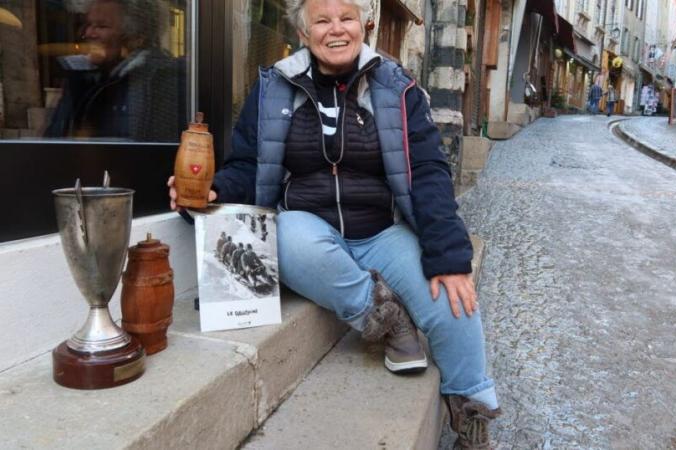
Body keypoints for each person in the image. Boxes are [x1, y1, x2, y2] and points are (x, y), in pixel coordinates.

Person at [168, 0, 500, 446]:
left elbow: (428, 172)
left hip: (382, 231)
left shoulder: (397, 86)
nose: (335, 30)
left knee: (454, 302)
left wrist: (449, 254)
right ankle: (388, 319)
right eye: (321, 21)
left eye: (346, 18)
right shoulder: (274, 87)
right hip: (308, 227)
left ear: (365, 26)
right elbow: (247, 164)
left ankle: (471, 414)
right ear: (304, 35)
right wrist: (213, 193)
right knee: (284, 236)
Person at [44, 0, 184, 141]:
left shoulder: (161, 81)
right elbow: (52, 141)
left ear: (136, 36)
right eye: (88, 25)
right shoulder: (84, 77)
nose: (88, 33)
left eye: (101, 26)